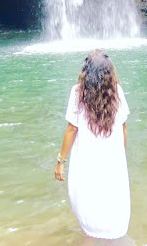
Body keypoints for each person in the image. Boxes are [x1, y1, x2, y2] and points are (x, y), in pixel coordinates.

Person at [54, 49, 131, 240]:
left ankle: (89, 237)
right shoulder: (117, 92)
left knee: (88, 206)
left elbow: (71, 129)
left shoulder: (77, 93)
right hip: (112, 160)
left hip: (86, 160)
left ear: (85, 73)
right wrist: (121, 155)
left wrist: (61, 161)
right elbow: (123, 127)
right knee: (111, 205)